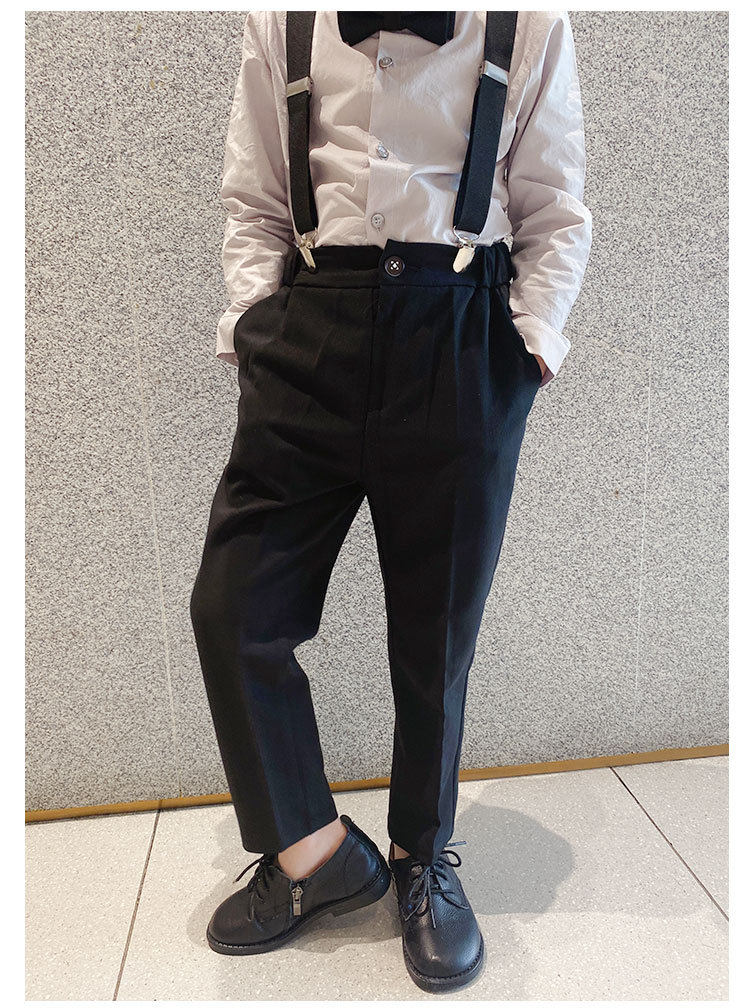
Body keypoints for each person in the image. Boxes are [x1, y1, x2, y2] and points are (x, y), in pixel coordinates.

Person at [190, 10, 592, 994]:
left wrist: (524, 355)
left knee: (434, 634)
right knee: (233, 610)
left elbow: (555, 210)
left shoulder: (529, 22)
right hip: (309, 334)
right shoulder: (280, 19)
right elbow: (255, 200)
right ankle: (314, 853)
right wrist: (253, 329)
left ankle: (422, 858)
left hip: (459, 341)